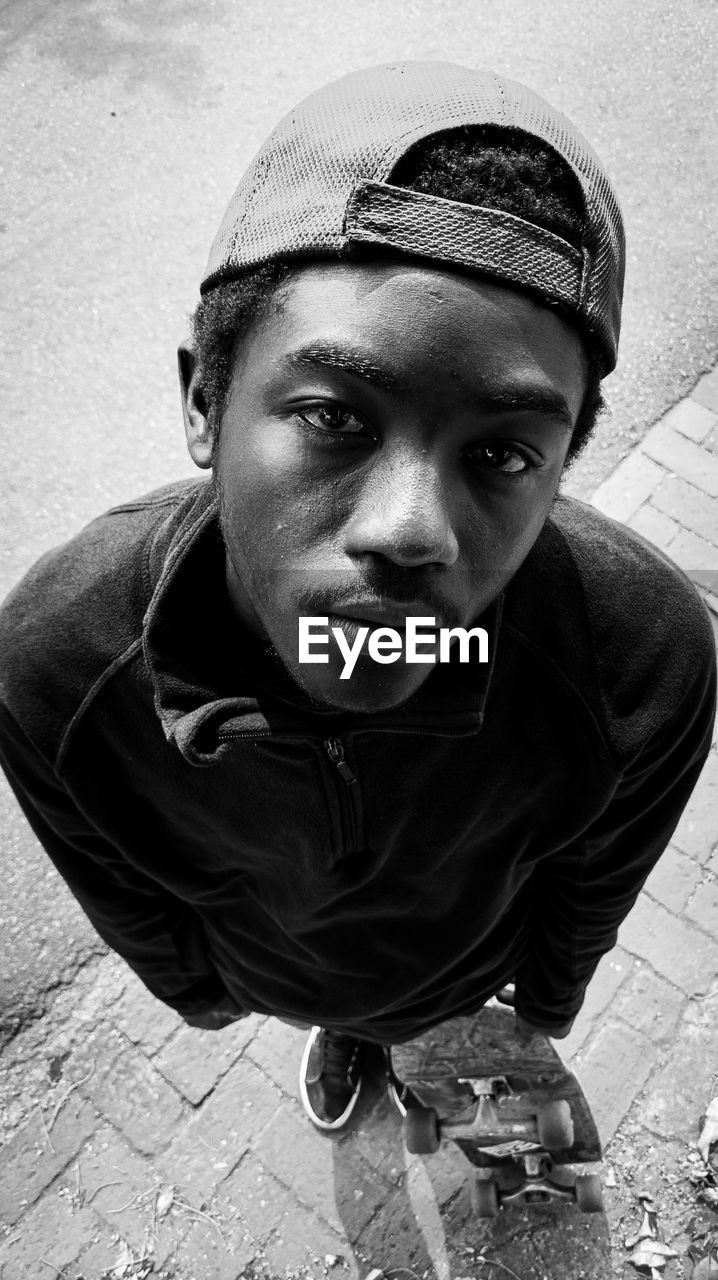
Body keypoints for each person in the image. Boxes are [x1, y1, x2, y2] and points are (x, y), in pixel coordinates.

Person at [0, 62, 715, 1135]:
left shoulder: (640, 658)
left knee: (485, 1106)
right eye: (335, 417)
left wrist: (545, 1004)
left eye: (503, 452)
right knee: (354, 1015)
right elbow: (123, 889)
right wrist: (204, 993)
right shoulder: (60, 662)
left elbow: (591, 878)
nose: (410, 530)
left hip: (467, 980)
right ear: (206, 398)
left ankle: (428, 1047)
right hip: (278, 976)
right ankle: (350, 1033)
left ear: (561, 464)